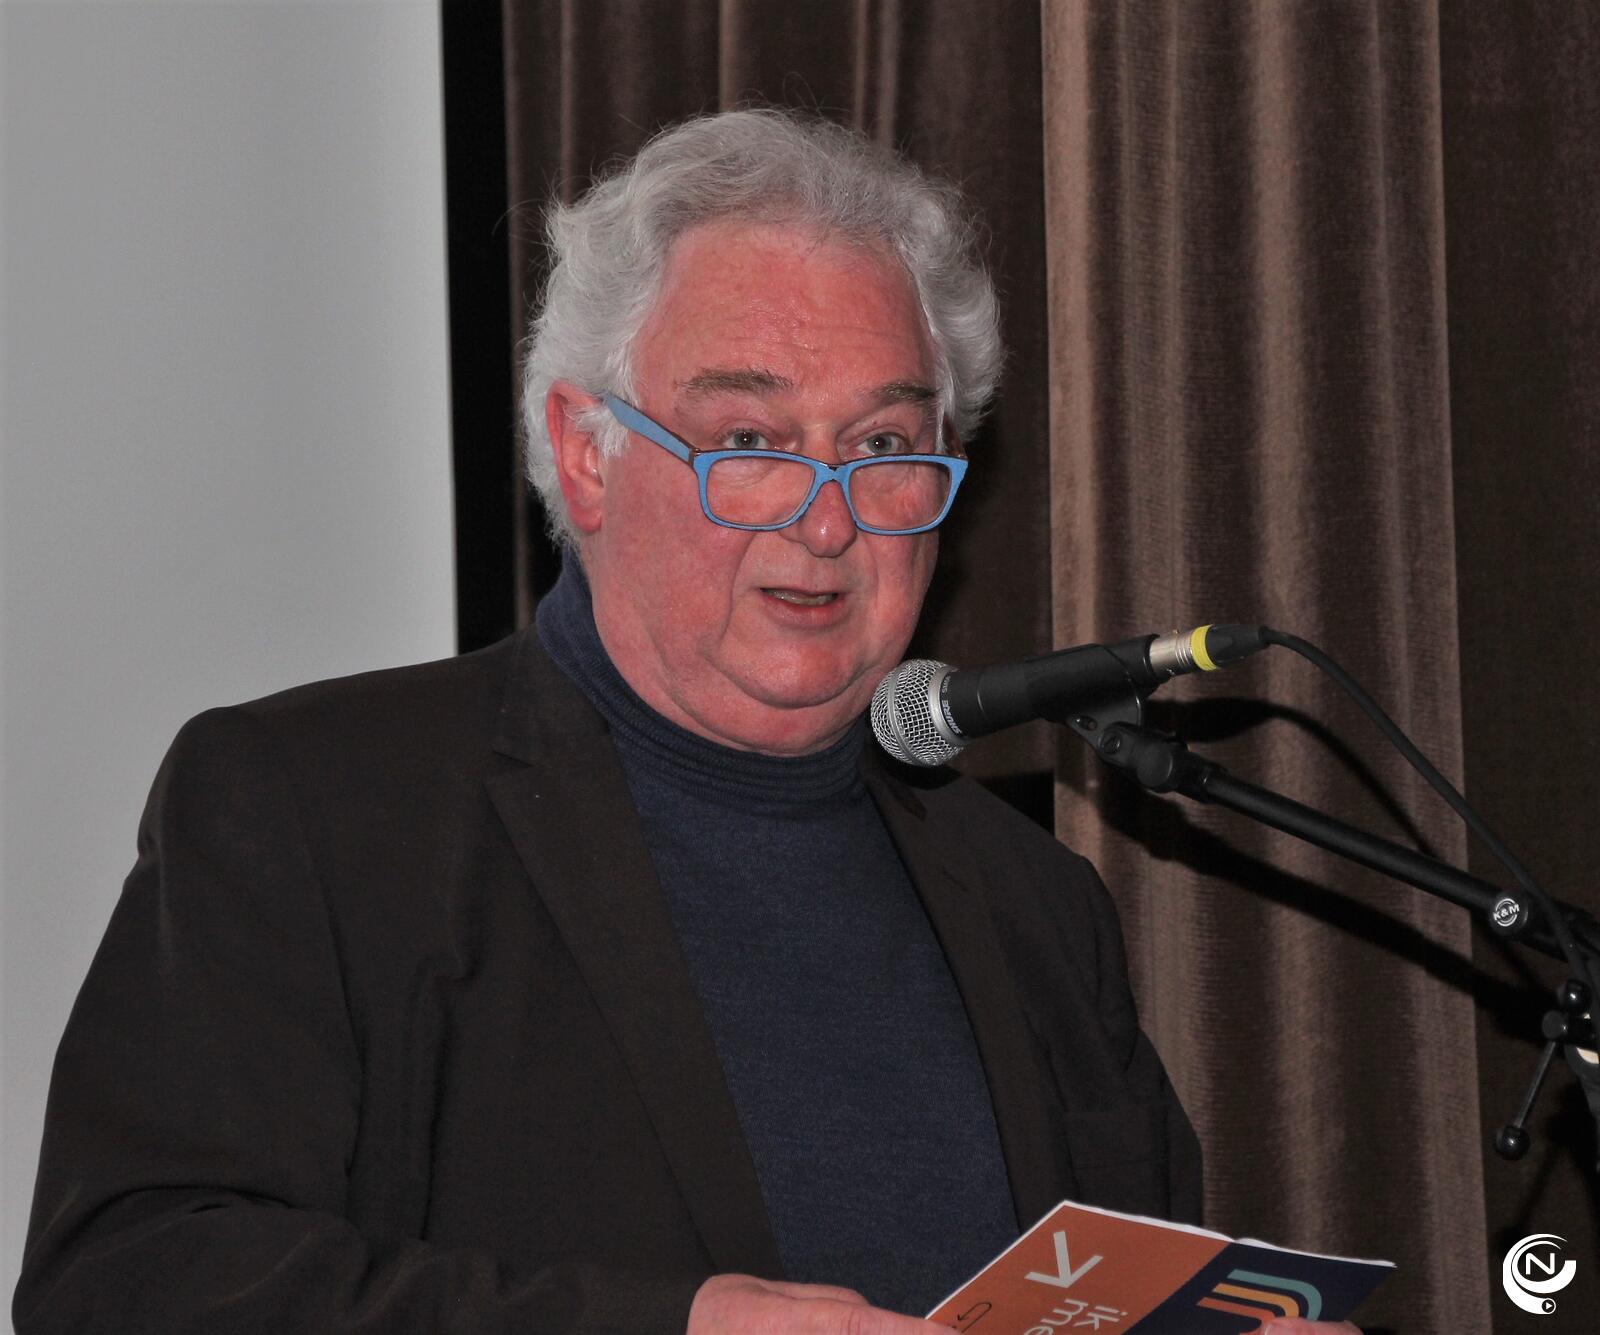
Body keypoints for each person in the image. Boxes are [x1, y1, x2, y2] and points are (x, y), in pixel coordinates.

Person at [14, 110, 1349, 1335]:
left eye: (884, 449)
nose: (825, 522)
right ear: (587, 452)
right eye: (752, 442)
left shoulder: (1033, 904)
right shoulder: (316, 810)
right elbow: (127, 1283)